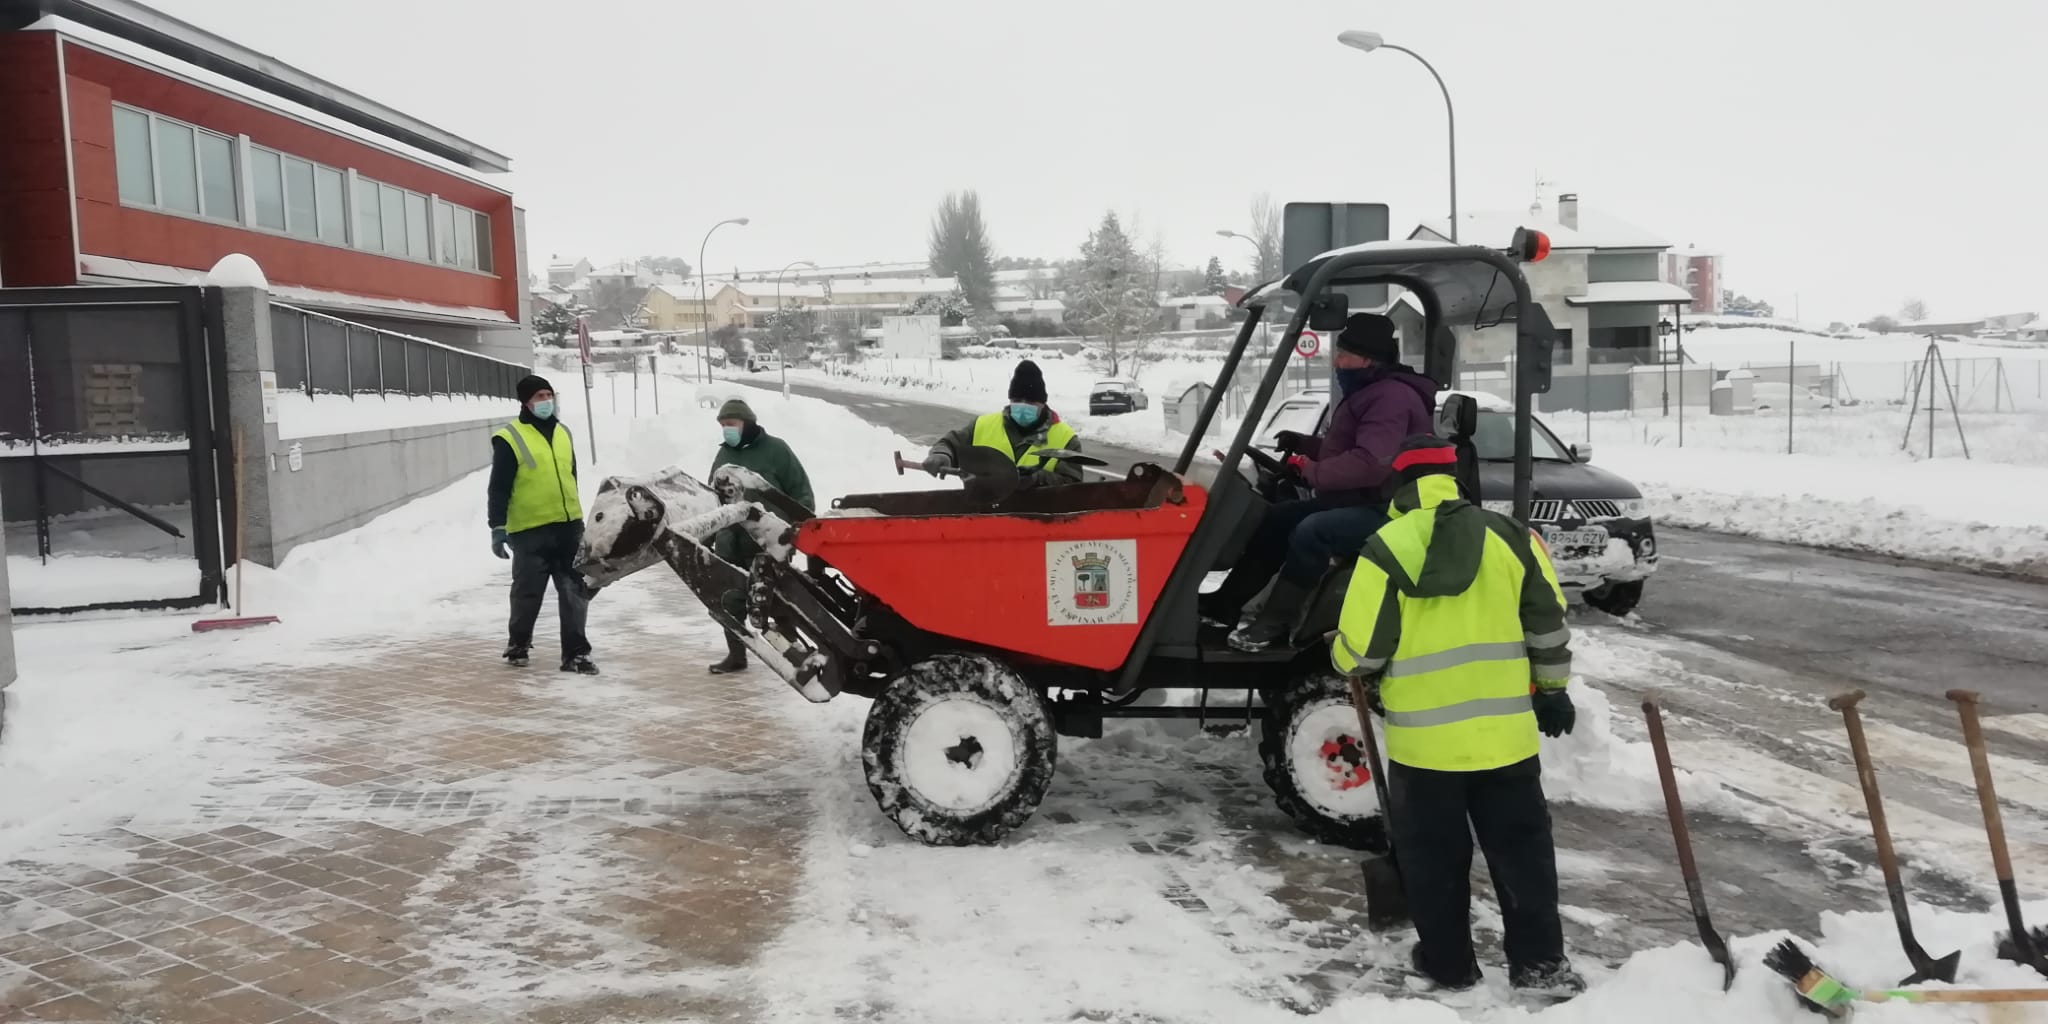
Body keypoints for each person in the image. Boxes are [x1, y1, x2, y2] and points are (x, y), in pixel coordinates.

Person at [1330, 436, 1582, 997]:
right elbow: (1548, 622)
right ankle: (1540, 966)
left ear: (1397, 484)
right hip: (1506, 741)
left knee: (1435, 863)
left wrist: (1340, 654)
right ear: (1456, 478)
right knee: (1523, 856)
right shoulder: (1514, 538)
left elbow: (1363, 650)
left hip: (1425, 751)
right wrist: (1552, 689)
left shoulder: (1385, 547)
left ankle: (1449, 966)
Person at [1200, 312, 1438, 651]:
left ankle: (1275, 625)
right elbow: (1350, 448)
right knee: (1277, 518)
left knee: (1313, 530)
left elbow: (1371, 463)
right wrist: (1305, 445)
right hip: (1362, 499)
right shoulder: (1371, 391)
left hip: (1392, 509)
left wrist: (1311, 469)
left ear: (1367, 359)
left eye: (1343, 355)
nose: (1337, 362)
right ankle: (1224, 604)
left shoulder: (1390, 398)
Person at [488, 374, 597, 675]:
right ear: (525, 401)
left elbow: (570, 477)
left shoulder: (564, 432)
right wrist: (497, 528)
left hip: (568, 526)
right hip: (530, 530)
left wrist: (579, 518)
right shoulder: (510, 438)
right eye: (539, 396)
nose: (546, 401)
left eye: (549, 395)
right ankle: (519, 643)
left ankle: (575, 653)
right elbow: (498, 487)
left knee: (575, 589)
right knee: (527, 592)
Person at [706, 398, 814, 675]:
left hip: (769, 542)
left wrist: (796, 531)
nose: (726, 430)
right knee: (728, 601)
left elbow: (800, 492)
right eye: (722, 425)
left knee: (773, 603)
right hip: (731, 543)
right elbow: (711, 500)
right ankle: (736, 655)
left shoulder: (776, 450)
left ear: (747, 423)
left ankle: (800, 659)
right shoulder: (723, 456)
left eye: (730, 424)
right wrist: (706, 539)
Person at [922, 359, 1083, 487]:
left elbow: (1073, 487)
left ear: (1043, 403)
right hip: (984, 518)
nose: (1023, 406)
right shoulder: (982, 425)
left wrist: (1036, 479)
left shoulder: (1065, 439)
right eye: (1017, 400)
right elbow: (950, 443)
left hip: (1040, 521)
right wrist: (941, 454)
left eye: (1031, 401)